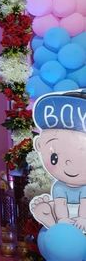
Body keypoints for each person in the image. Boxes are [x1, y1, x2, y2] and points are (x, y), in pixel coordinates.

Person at [30, 90, 86, 230]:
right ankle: (52, 222)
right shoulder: (59, 187)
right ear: (39, 145)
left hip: (82, 215)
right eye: (54, 158)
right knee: (53, 207)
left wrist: (83, 219)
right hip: (64, 215)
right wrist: (63, 219)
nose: (69, 166)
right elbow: (61, 203)